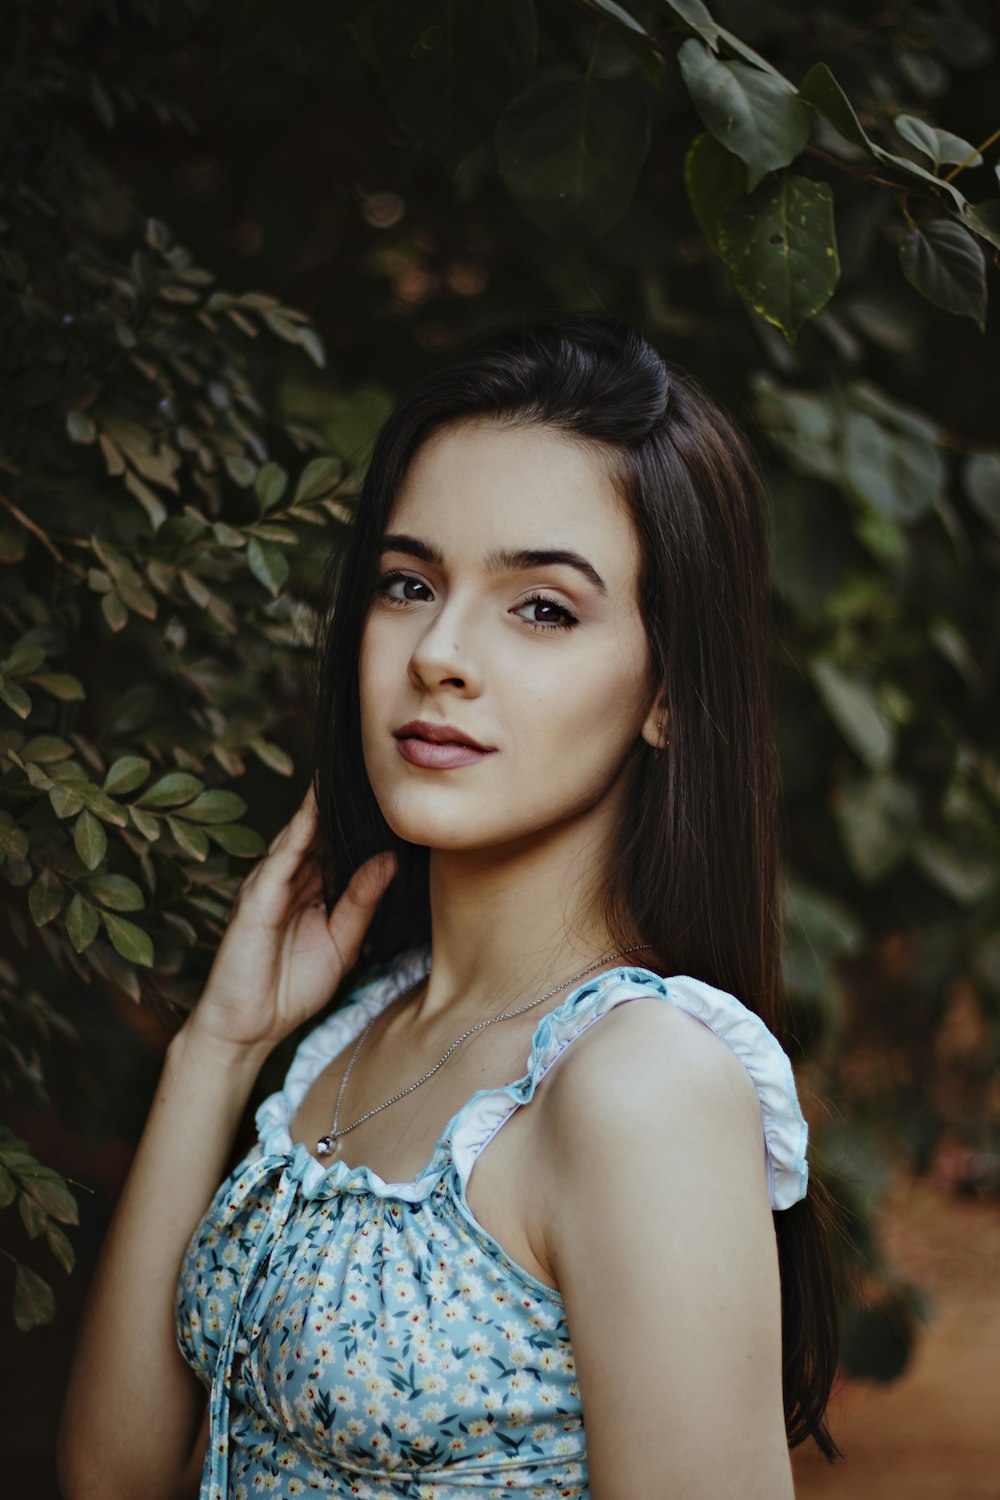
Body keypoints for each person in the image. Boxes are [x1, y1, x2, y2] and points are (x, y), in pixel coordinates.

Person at [58, 316, 840, 1499]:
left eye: (541, 608)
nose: (440, 653)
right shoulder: (352, 1033)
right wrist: (217, 1052)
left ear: (668, 693)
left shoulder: (641, 1086)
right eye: (408, 583)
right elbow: (115, 1477)